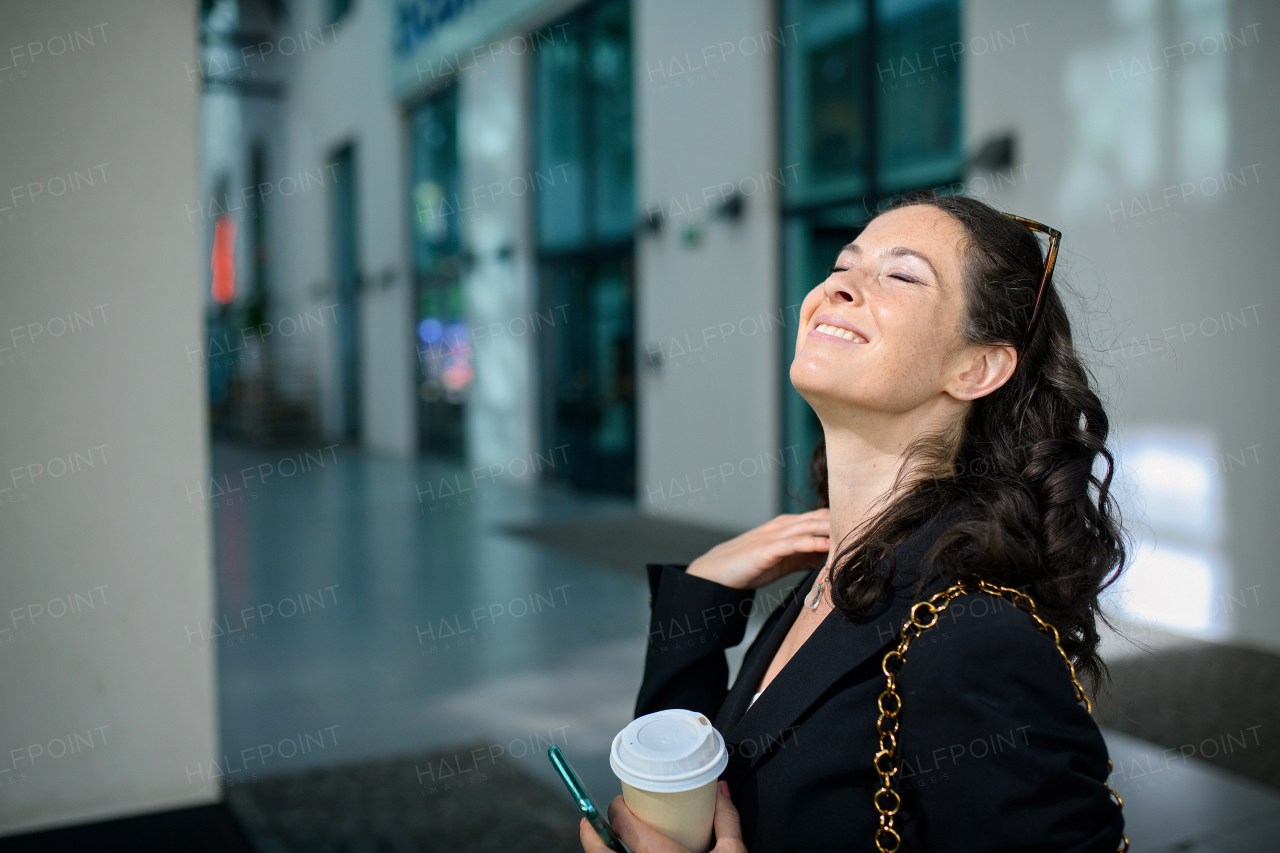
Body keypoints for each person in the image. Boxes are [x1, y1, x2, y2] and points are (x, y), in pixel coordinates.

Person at [580, 190, 1128, 852]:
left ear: (977, 366)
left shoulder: (973, 639)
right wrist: (700, 597)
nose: (839, 288)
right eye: (842, 266)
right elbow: (703, 789)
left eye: (900, 274)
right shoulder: (830, 579)